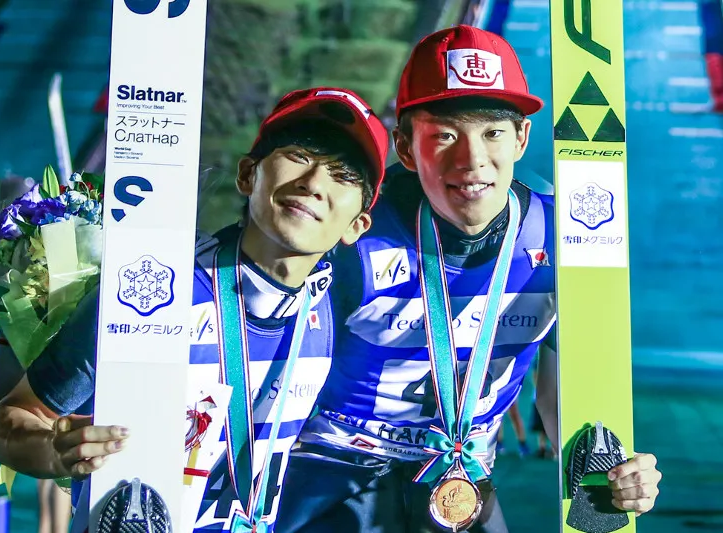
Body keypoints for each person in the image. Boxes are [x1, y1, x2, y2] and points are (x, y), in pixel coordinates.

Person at [276, 26, 662, 533]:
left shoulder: (567, 235)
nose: (472, 160)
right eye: (445, 135)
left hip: (461, 482)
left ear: (521, 138)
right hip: (330, 474)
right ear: (405, 147)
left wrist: (617, 475)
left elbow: (562, 396)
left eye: (492, 133)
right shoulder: (352, 232)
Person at [0, 86, 389, 533]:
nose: (313, 183)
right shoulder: (155, 289)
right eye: (299, 155)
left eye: (342, 175)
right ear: (248, 175)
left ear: (357, 226)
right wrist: (52, 450)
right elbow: (8, 423)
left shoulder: (327, 311)